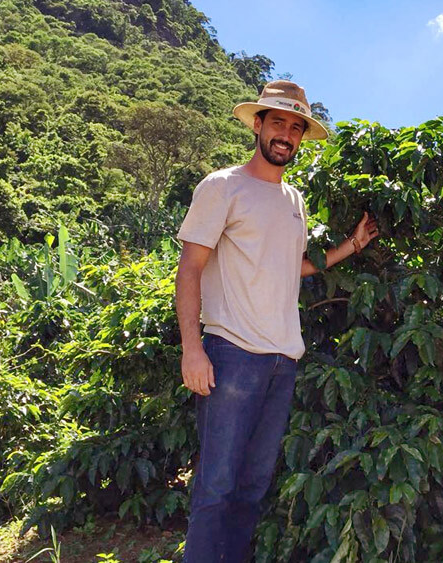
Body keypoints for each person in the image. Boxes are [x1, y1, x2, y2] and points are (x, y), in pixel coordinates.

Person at [175, 80, 379, 562]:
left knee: (252, 486)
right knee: (216, 487)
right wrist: (192, 348)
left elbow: (291, 265)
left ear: (301, 137)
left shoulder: (294, 201)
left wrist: (349, 247)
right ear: (258, 125)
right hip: (231, 356)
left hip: (281, 362)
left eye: (296, 126)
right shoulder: (223, 186)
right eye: (278, 122)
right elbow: (190, 267)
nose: (286, 133)